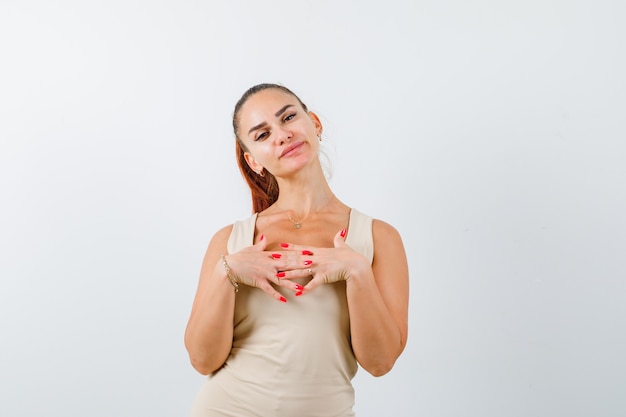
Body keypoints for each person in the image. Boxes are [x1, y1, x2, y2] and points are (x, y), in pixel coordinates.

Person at [185, 83, 409, 417]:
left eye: (288, 117)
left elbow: (380, 363)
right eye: (262, 135)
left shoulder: (379, 237)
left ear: (314, 123)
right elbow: (203, 361)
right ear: (253, 160)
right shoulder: (231, 241)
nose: (281, 135)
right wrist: (226, 272)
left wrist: (357, 272)